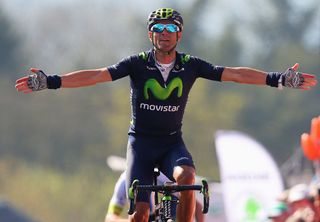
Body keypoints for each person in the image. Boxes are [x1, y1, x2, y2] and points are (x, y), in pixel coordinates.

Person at [15, 7, 317, 222]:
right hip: (141, 145)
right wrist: (50, 81)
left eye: (170, 29)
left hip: (172, 144)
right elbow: (95, 76)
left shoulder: (191, 64)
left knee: (186, 177)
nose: (164, 34)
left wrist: (278, 79)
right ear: (150, 35)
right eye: (158, 29)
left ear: (179, 34)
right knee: (142, 213)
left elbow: (235, 74)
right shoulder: (136, 63)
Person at [105, 171, 204, 222]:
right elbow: (110, 218)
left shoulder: (163, 177)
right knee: (135, 215)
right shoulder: (124, 181)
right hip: (145, 217)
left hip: (166, 211)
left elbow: (197, 206)